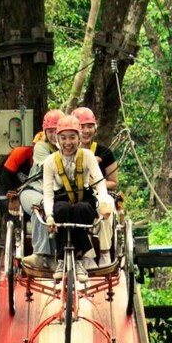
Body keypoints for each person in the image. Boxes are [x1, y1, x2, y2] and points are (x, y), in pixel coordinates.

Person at [42, 115, 113, 282]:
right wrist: (49, 215)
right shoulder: (50, 161)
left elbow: (99, 182)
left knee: (81, 209)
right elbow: (47, 192)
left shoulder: (87, 156)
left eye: (72, 137)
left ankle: (80, 258)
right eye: (63, 138)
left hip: (84, 198)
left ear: (79, 138)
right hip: (61, 198)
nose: (68, 142)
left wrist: (103, 203)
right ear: (57, 139)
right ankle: (61, 259)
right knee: (62, 210)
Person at [71, 106, 118, 268]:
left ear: (95, 128)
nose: (86, 130)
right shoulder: (67, 152)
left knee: (107, 205)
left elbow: (114, 182)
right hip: (75, 195)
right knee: (80, 209)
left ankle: (105, 253)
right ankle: (87, 255)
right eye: (82, 127)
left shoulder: (104, 152)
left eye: (89, 126)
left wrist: (96, 183)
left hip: (98, 193)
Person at [18, 109, 65, 270]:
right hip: (34, 190)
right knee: (41, 205)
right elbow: (51, 168)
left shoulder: (71, 148)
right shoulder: (41, 147)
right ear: (45, 132)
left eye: (56, 131)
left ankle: (53, 257)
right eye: (50, 131)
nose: (53, 135)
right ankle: (39, 254)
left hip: (54, 193)